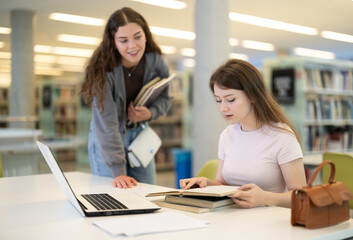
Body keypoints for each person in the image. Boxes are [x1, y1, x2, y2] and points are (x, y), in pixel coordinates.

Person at [180, 59, 307, 208]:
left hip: (270, 222)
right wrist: (206, 183)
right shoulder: (227, 135)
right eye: (218, 100)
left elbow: (301, 196)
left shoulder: (282, 136)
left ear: (252, 95)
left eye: (230, 99)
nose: (223, 108)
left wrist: (264, 197)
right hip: (232, 218)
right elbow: (223, 183)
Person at [80, 7, 170, 188]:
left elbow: (166, 101)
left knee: (148, 193)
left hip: (139, 136)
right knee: (115, 197)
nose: (133, 46)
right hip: (108, 136)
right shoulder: (102, 71)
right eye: (123, 40)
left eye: (138, 37)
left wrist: (149, 114)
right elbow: (107, 125)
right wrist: (118, 170)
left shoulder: (156, 61)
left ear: (146, 34)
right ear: (113, 42)